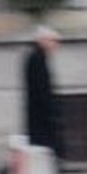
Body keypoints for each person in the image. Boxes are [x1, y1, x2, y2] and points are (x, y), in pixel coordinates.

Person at [23, 25, 63, 162]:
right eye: (54, 41)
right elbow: (42, 90)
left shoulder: (37, 57)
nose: (56, 45)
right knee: (47, 155)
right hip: (42, 119)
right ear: (43, 40)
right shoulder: (37, 58)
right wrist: (53, 113)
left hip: (41, 118)